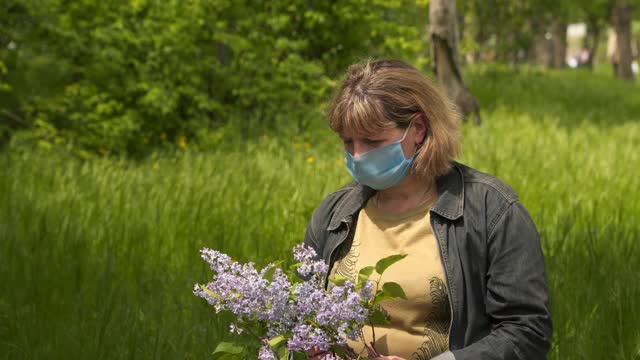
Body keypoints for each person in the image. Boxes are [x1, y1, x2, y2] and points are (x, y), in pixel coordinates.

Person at [303, 59, 552, 360]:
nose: (357, 155)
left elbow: (526, 332)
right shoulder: (334, 214)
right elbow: (303, 317)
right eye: (347, 142)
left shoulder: (491, 210)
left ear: (417, 129)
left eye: (372, 141)